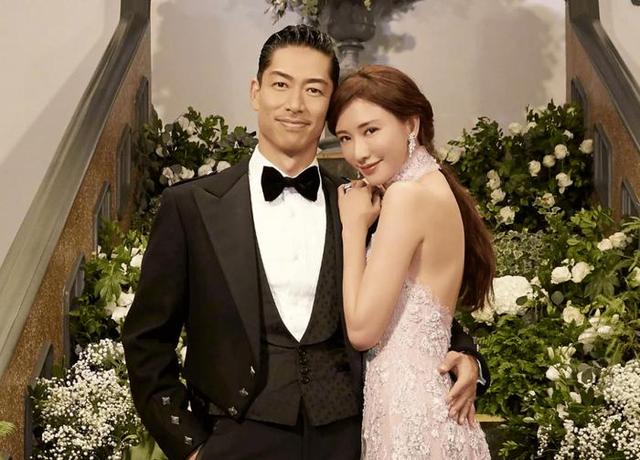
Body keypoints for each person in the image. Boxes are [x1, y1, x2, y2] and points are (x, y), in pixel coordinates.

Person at [122, 26, 489, 460]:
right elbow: (147, 340)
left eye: (314, 90)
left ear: (329, 104)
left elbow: (413, 298)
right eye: (281, 85)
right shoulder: (191, 206)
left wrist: (468, 357)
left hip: (349, 441)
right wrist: (191, 447)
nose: (295, 104)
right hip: (234, 439)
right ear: (256, 92)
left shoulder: (365, 204)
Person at [327, 64, 495, 459]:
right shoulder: (434, 187)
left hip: (411, 415)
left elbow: (362, 331)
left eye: (371, 130)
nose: (358, 152)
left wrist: (353, 228)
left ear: (411, 124)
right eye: (346, 137)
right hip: (424, 407)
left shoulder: (405, 197)